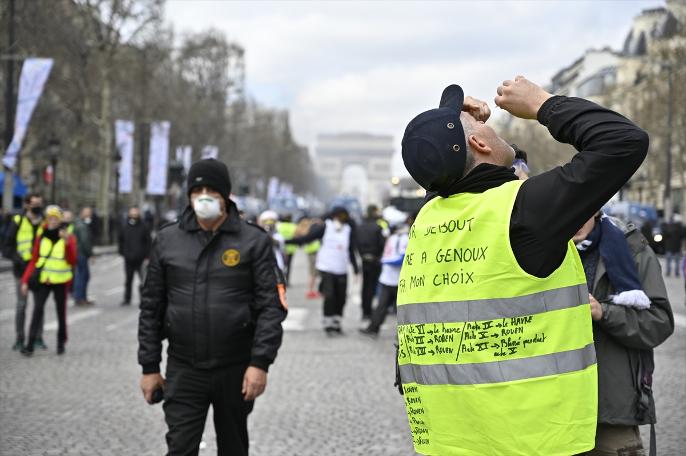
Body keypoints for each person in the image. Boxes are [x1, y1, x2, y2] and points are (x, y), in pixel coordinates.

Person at [395, 76, 649, 455]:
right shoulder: (523, 211)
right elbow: (624, 141)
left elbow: (452, 172)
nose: (488, 123)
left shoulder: (429, 219)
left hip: (449, 439)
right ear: (478, 144)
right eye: (482, 128)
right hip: (533, 437)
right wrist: (544, 104)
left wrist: (453, 134)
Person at [138, 159, 287, 456]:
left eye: (211, 190)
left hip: (235, 366)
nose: (203, 196)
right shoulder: (168, 240)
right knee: (180, 447)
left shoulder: (254, 241)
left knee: (233, 448)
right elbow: (151, 307)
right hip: (183, 366)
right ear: (189, 195)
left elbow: (271, 308)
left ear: (225, 195)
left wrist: (260, 363)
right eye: (197, 190)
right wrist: (149, 367)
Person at [573, 212, 673, 455]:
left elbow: (659, 321)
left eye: (580, 209)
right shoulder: (540, 248)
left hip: (611, 412)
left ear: (595, 208)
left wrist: (603, 312)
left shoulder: (631, 248)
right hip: (553, 410)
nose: (572, 219)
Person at [287, 206, 359, 334]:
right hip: (327, 268)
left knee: (341, 298)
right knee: (329, 296)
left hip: (341, 269)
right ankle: (328, 324)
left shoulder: (348, 230)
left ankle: (337, 322)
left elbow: (351, 250)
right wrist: (288, 241)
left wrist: (356, 269)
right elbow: (308, 238)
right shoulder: (325, 227)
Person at [20, 205, 77, 355]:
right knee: (37, 311)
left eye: (55, 218)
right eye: (50, 218)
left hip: (60, 281)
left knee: (60, 313)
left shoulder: (68, 236)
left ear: (59, 221)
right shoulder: (41, 234)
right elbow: (34, 260)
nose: (52, 221)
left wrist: (66, 243)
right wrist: (25, 281)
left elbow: (72, 260)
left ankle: (60, 343)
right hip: (44, 280)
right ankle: (30, 344)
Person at [1, 193, 47, 351]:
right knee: (22, 305)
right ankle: (19, 338)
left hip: (40, 270)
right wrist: (17, 258)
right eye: (35, 204)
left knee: (39, 306)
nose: (38, 207)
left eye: (40, 203)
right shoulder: (17, 221)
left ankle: (38, 338)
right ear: (27, 205)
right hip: (21, 271)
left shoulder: (45, 222)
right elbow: (6, 247)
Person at [359, 213, 415, 337]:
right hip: (391, 278)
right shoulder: (397, 238)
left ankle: (407, 334)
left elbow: (402, 258)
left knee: (401, 309)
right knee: (382, 307)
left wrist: (383, 261)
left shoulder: (401, 238)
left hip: (398, 279)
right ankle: (373, 328)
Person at [357, 204, 386, 320]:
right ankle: (372, 311)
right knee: (373, 286)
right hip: (375, 260)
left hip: (364, 259)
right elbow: (382, 244)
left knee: (365, 286)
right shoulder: (377, 227)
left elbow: (357, 243)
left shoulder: (360, 226)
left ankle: (365, 310)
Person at [118, 206, 151, 306]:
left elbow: (148, 242)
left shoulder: (144, 226)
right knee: (128, 280)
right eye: (132, 212)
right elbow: (121, 240)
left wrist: (148, 255)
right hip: (128, 258)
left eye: (135, 212)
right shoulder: (124, 227)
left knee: (143, 280)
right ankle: (127, 298)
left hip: (141, 259)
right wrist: (123, 252)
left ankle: (144, 299)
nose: (134, 214)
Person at [295, 217, 322, 299]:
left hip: (311, 251)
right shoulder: (310, 230)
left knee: (313, 273)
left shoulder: (305, 230)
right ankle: (311, 291)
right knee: (313, 273)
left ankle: (312, 290)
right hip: (313, 251)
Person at [73, 206, 94, 306]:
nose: (90, 214)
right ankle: (80, 298)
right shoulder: (82, 226)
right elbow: (85, 241)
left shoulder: (80, 223)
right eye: (87, 212)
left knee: (82, 275)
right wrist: (90, 254)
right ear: (82, 213)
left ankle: (81, 297)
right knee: (83, 276)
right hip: (81, 253)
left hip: (80, 253)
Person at [276, 213, 297, 284]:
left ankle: (281, 279)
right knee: (289, 266)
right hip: (291, 249)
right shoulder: (293, 226)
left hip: (282, 249)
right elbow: (296, 237)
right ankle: (287, 280)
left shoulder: (279, 226)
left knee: (281, 264)